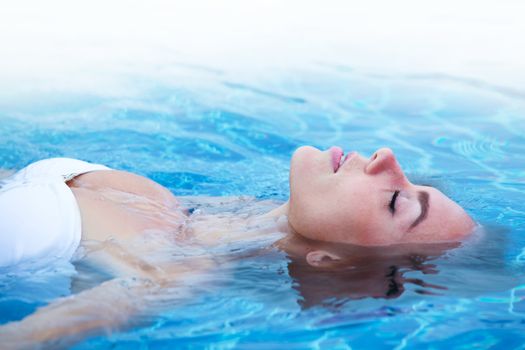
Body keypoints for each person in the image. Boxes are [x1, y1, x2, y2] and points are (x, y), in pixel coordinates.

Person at [0, 146, 475, 347]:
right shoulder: (193, 209)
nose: (386, 157)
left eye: (396, 201)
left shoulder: (176, 272)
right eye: (409, 178)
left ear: (329, 260)